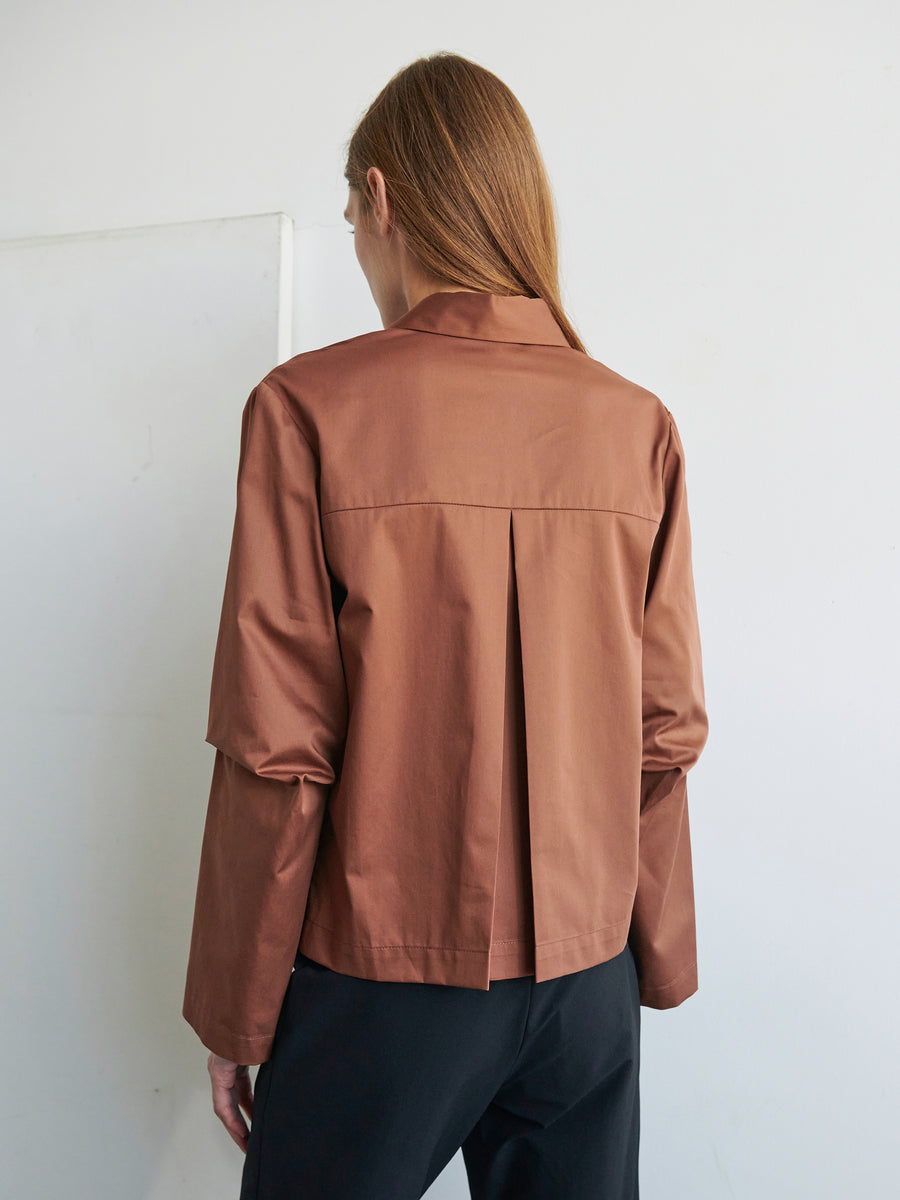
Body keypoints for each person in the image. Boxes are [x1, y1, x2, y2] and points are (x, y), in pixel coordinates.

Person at [182, 50, 709, 1200]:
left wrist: (237, 1006)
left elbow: (278, 748)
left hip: (381, 985)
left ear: (379, 198)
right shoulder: (636, 425)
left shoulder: (307, 409)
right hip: (586, 984)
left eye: (352, 219)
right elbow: (663, 729)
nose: (360, 249)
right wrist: (649, 963)